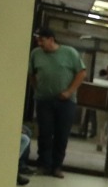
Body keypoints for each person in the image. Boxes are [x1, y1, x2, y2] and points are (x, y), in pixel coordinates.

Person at [28, 26, 86, 178]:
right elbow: (32, 73)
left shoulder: (69, 53)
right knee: (45, 133)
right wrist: (38, 89)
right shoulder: (36, 54)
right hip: (44, 100)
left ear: (51, 39)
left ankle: (57, 166)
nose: (39, 43)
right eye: (38, 40)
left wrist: (69, 91)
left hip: (66, 102)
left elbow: (81, 73)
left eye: (42, 40)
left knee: (62, 134)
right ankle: (43, 165)